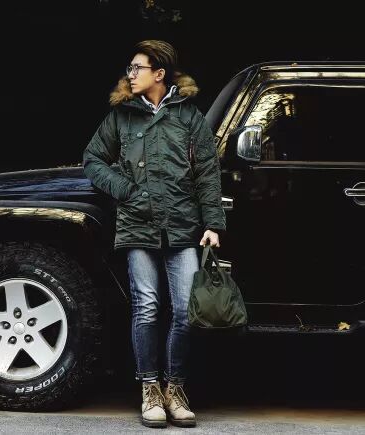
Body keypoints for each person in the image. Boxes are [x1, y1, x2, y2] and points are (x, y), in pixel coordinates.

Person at [82, 40, 226, 428]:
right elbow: (93, 160)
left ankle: (174, 389)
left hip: (182, 226)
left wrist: (212, 224)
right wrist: (125, 190)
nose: (130, 74)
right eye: (129, 68)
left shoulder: (189, 115)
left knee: (185, 311)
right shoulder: (121, 116)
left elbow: (207, 171)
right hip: (137, 225)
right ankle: (149, 389)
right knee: (146, 307)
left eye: (137, 68)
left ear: (159, 73)